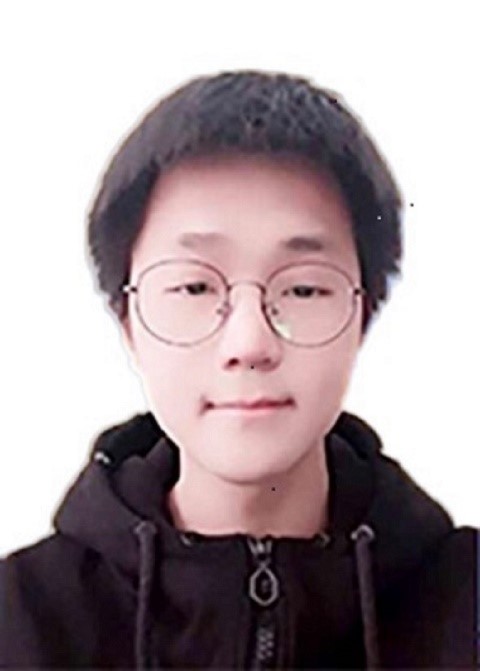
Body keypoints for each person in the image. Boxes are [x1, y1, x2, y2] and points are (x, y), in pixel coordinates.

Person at [0, 69, 477, 670]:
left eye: (303, 289)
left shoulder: (465, 608)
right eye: (195, 286)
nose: (249, 343)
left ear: (362, 313)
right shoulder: (21, 622)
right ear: (128, 321)